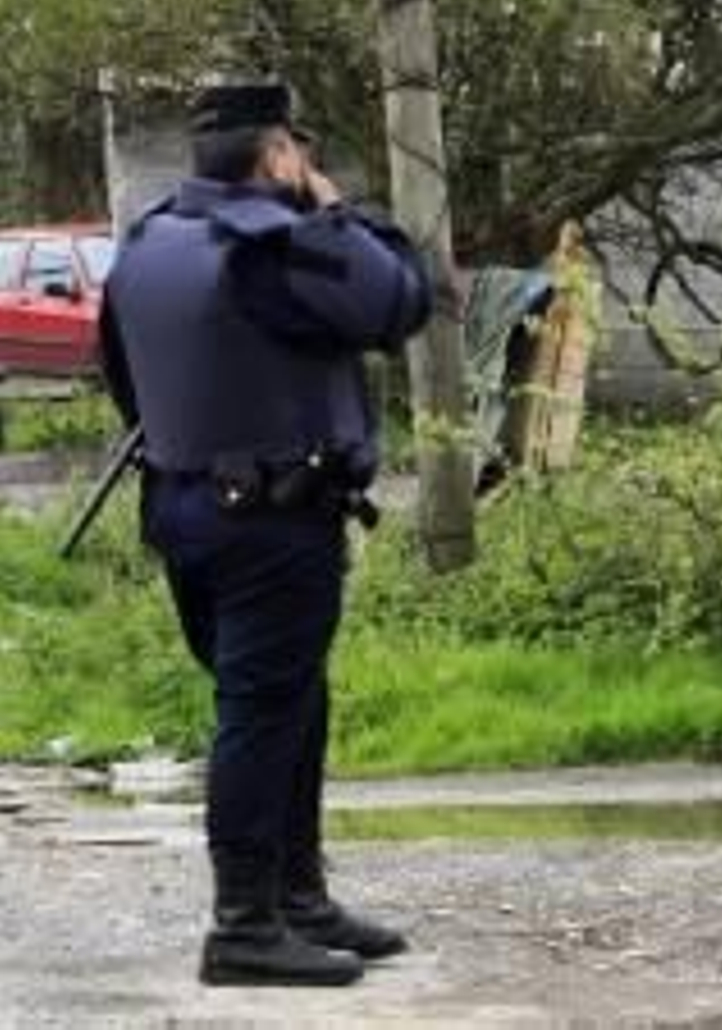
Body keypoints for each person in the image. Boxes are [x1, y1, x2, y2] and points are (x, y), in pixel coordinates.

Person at [98, 83, 433, 987]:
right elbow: (401, 301)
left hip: (182, 507)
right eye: (298, 150)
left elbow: (122, 374)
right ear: (275, 154)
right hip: (275, 520)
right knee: (261, 710)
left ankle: (297, 896)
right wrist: (337, 208)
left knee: (287, 699)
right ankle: (244, 925)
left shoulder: (149, 242)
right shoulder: (276, 248)